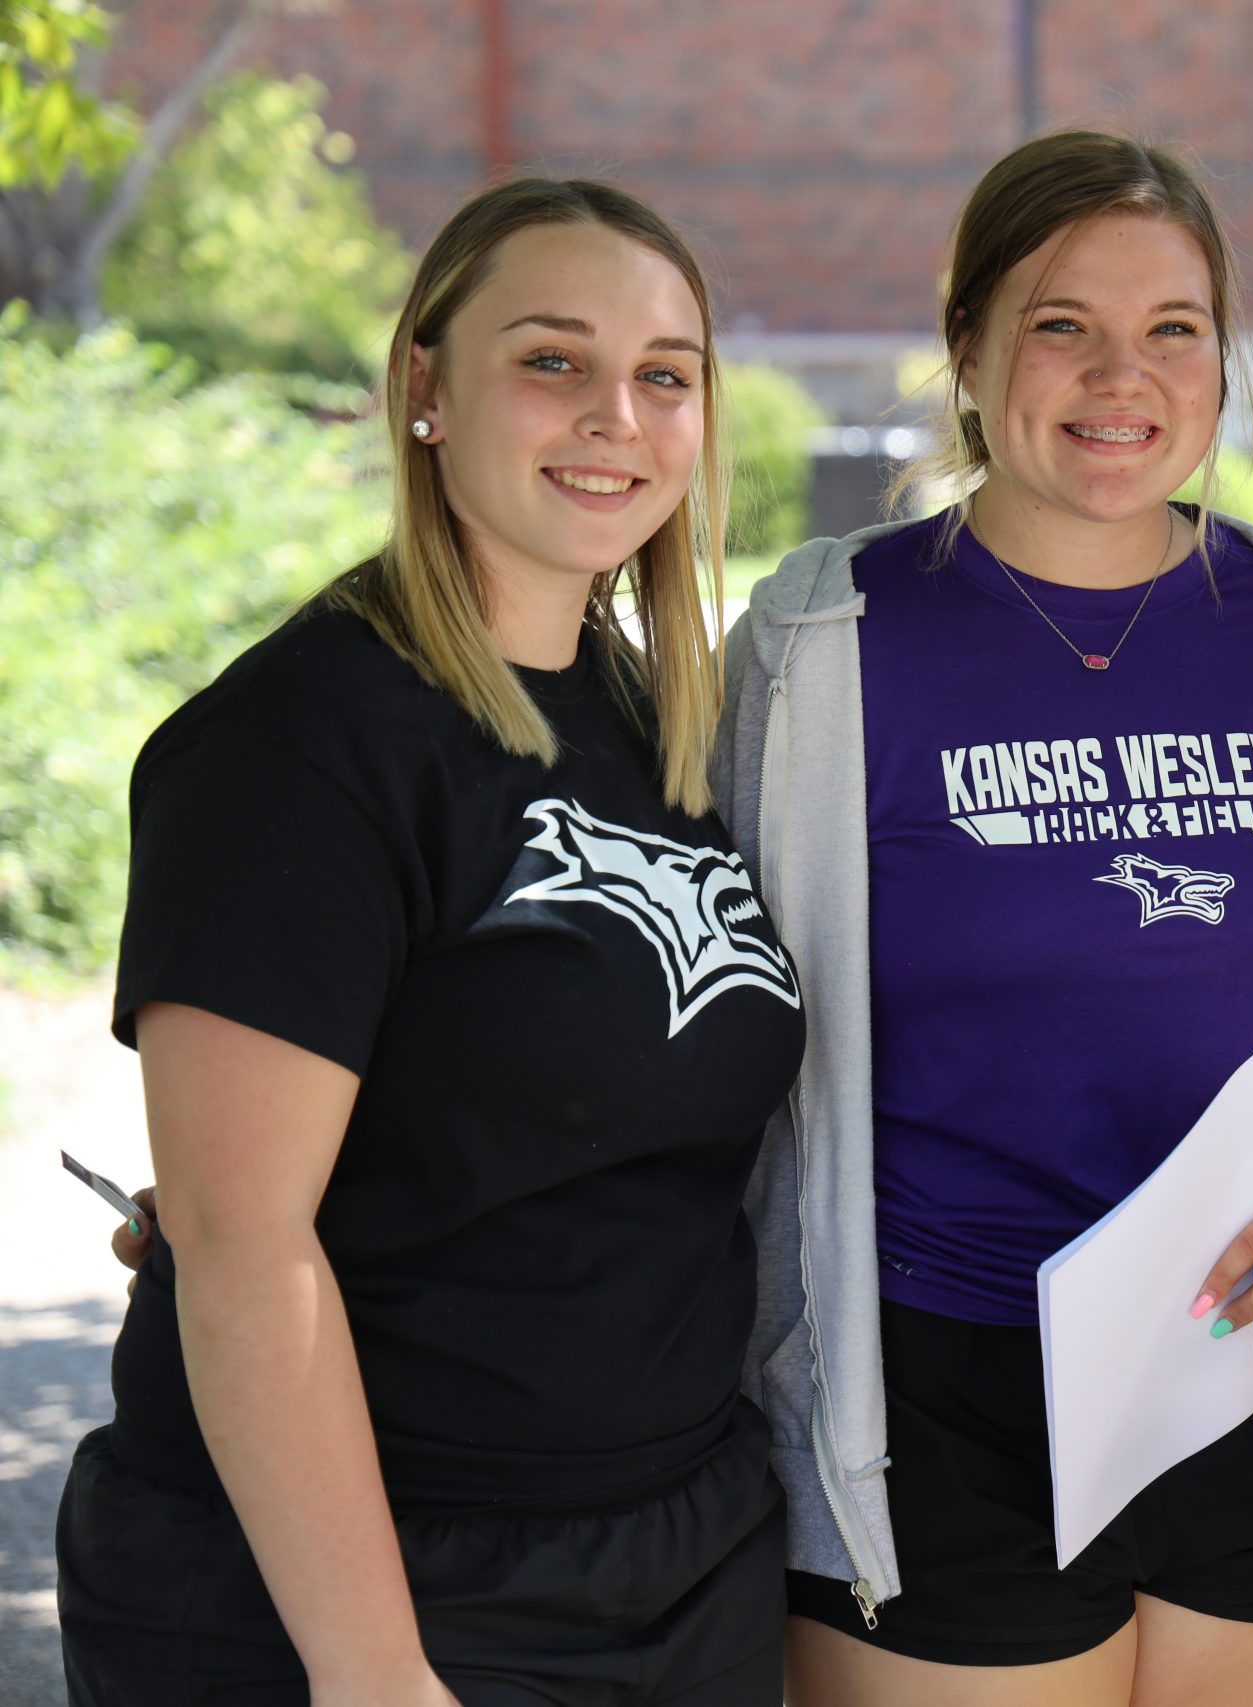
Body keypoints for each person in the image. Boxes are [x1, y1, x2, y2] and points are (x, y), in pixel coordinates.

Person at [712, 131, 1253, 1707]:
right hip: (933, 1389)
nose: (1122, 373)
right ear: (970, 351)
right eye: (1062, 323)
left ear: (1220, 360)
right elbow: (677, 984)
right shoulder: (824, 640)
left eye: (1174, 328)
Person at [59, 179, 806, 1705]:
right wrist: (372, 1671)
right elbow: (241, 1247)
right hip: (363, 1591)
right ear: (424, 388)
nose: (616, 414)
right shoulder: (301, 745)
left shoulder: (658, 723)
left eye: (666, 375)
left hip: (675, 1566)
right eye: (552, 361)